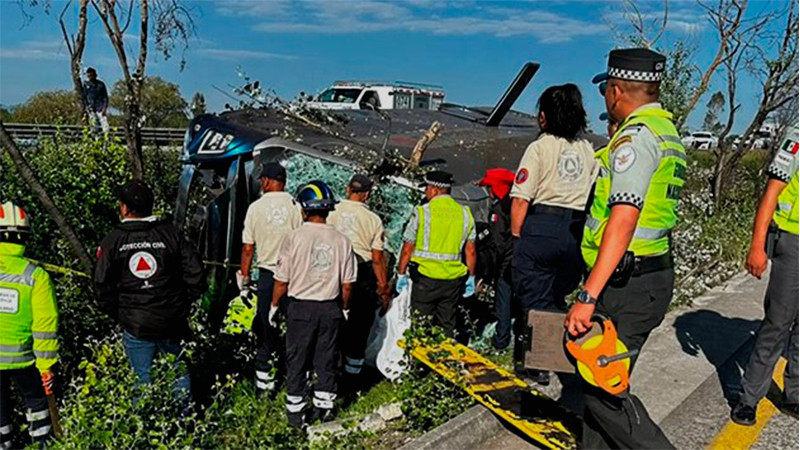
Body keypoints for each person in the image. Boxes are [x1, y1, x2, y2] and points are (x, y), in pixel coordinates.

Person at [565, 48, 685, 449]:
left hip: (627, 283)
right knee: (595, 381)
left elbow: (623, 219)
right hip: (640, 276)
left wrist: (587, 294)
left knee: (603, 391)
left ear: (615, 91)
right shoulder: (666, 131)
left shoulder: (637, 138)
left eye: (605, 93)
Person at [509, 84, 597, 384]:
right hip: (574, 229)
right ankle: (557, 359)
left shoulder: (540, 147)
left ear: (543, 116)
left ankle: (532, 365)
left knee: (532, 297)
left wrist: (517, 240)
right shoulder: (588, 150)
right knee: (557, 297)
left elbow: (521, 198)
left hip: (541, 225)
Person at [94, 180, 205, 407]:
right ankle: (185, 425)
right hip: (171, 320)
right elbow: (197, 276)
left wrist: (122, 314)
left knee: (141, 378)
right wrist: (180, 305)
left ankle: (144, 429)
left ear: (124, 208)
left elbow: (101, 286)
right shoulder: (172, 234)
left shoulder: (113, 241)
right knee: (179, 374)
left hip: (136, 324)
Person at [273, 180, 356, 428]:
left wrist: (274, 306)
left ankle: (296, 415)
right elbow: (347, 285)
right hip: (330, 308)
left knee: (298, 360)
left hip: (300, 308)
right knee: (326, 359)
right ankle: (325, 409)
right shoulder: (342, 240)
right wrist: (345, 308)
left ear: (305, 209)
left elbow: (281, 280)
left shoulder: (294, 238)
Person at [732, 124, 799, 425]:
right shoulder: (798, 135)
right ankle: (749, 399)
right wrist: (757, 245)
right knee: (778, 324)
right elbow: (772, 190)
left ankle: (794, 394)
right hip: (793, 240)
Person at [238, 162, 302, 395]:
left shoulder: (255, 208)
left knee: (266, 330)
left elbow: (247, 248)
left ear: (266, 181)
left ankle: (265, 386)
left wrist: (244, 280)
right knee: (294, 329)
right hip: (293, 277)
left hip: (267, 277)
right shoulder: (296, 205)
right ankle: (296, 380)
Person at [0, 202, 58, 447]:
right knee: (36, 405)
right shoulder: (36, 276)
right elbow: (45, 325)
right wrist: (47, 367)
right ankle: (41, 443)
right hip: (26, 360)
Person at [396, 170, 477, 338]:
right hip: (452, 281)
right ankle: (442, 360)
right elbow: (471, 251)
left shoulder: (422, 212)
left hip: (425, 279)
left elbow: (407, 249)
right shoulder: (465, 214)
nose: (426, 192)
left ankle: (419, 363)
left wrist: (401, 274)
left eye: (427, 188)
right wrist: (471, 277)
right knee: (447, 326)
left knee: (420, 325)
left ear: (434, 189)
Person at [328, 174, 390, 379]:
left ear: (347, 189)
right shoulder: (373, 220)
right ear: (367, 194)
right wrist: (383, 289)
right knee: (359, 325)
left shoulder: (331, 211)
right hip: (361, 272)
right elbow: (378, 258)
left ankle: (330, 369)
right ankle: (352, 376)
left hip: (332, 270)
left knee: (333, 322)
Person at [476, 168, 516, 350]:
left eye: (489, 188)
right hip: (518, 260)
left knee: (503, 300)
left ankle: (501, 340)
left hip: (506, 264)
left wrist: (492, 269)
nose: (488, 193)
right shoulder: (515, 203)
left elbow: (499, 242)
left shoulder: (500, 208)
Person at [82, 67, 109, 135]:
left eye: (92, 75)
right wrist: (86, 107)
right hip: (91, 108)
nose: (90, 77)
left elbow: (105, 97)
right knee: (93, 126)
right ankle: (95, 140)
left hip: (100, 107)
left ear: (95, 75)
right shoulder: (86, 85)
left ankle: (106, 139)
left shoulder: (101, 84)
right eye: (89, 76)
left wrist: (104, 108)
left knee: (105, 126)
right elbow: (84, 97)